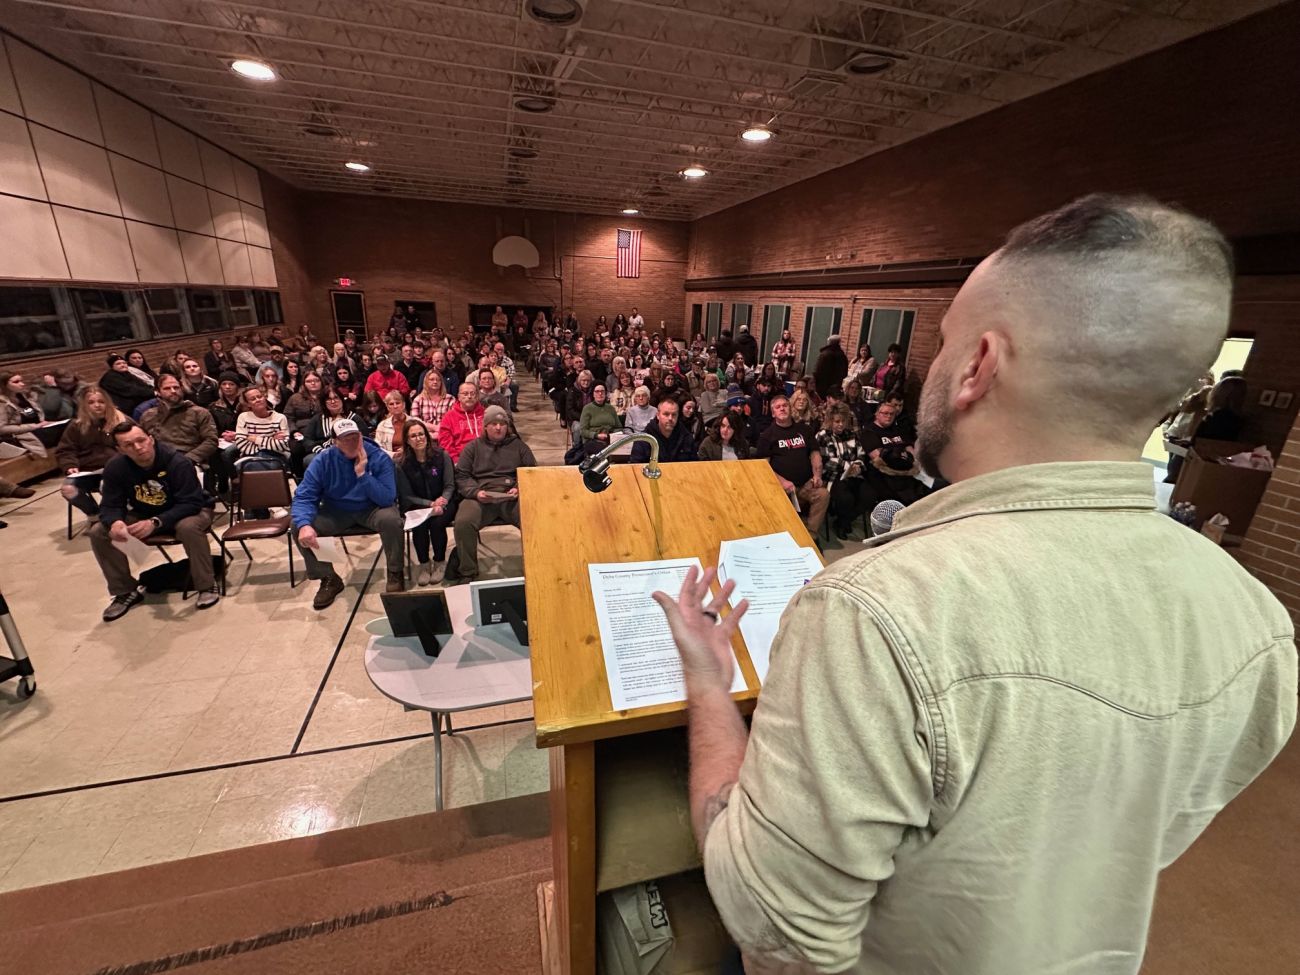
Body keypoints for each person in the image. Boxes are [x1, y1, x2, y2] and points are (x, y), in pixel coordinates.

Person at [655, 195, 1298, 975]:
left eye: (947, 338)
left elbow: (770, 925)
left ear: (978, 365)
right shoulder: (1258, 623)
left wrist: (709, 686)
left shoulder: (871, 614)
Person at [91, 421, 219, 620]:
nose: (138, 447)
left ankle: (206, 584)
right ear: (120, 450)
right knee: (99, 531)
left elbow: (191, 502)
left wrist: (156, 522)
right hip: (144, 511)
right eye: (129, 445)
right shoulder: (115, 468)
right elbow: (109, 504)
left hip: (189, 510)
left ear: (151, 439)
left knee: (188, 527)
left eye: (141, 440)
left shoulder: (177, 461)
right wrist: (115, 521)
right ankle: (125, 591)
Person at [292, 418, 406, 606]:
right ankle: (329, 578)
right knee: (298, 525)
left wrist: (362, 475)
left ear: (361, 436)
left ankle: (395, 571)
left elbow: (387, 498)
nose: (352, 442)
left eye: (355, 437)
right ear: (335, 442)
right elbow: (304, 497)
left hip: (371, 508)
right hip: (336, 511)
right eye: (346, 439)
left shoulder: (378, 457)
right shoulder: (322, 461)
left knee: (391, 519)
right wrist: (305, 524)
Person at [446, 405, 535, 584]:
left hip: (511, 497)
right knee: (463, 522)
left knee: (534, 518)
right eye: (493, 423)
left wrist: (520, 487)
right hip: (481, 496)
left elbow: (532, 472)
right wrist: (476, 492)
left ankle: (535, 565)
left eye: (502, 423)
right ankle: (468, 571)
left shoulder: (519, 446)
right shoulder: (473, 447)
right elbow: (462, 476)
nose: (498, 427)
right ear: (485, 426)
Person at [755, 393, 828, 536]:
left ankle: (811, 536)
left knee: (823, 495)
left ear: (790, 408)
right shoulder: (767, 436)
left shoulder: (804, 430)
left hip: (806, 484)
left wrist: (817, 475)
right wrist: (782, 482)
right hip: (781, 487)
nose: (782, 409)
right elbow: (763, 467)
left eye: (785, 405)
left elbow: (815, 454)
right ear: (773, 413)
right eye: (778, 407)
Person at [395, 418, 457, 584]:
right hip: (417, 505)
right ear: (407, 440)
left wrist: (442, 501)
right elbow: (406, 495)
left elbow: (450, 485)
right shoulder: (401, 463)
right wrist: (429, 505)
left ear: (427, 436)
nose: (418, 438)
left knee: (437, 524)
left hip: (445, 501)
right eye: (413, 436)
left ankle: (439, 562)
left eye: (421, 434)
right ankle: (423, 564)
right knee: (420, 526)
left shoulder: (442, 455)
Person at [55, 386, 125, 518]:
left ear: (108, 403)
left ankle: (117, 515)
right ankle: (95, 515)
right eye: (91, 403)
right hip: (87, 471)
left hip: (116, 469)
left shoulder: (121, 421)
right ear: (84, 406)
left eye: (101, 402)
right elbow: (65, 450)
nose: (97, 405)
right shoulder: (76, 426)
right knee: (68, 489)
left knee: (106, 486)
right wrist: (70, 465)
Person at [140, 374, 218, 469]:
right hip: (158, 464)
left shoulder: (199, 412)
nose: (173, 391)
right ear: (158, 392)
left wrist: (185, 460)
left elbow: (211, 441)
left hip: (190, 462)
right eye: (167, 388)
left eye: (176, 387)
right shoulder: (148, 415)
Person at [816, 403, 870, 539]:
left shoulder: (852, 434)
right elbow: (826, 461)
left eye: (843, 421)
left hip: (854, 474)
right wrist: (848, 466)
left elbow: (861, 453)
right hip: (833, 476)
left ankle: (843, 521)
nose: (840, 424)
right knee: (846, 498)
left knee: (870, 495)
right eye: (837, 421)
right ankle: (842, 523)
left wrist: (858, 464)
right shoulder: (822, 436)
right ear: (830, 421)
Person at [0, 370, 58, 457]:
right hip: (23, 435)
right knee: (68, 433)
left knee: (71, 425)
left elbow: (37, 416)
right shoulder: (2, 403)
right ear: (4, 385)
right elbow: (2, 429)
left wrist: (46, 423)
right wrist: (35, 426)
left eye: (21, 381)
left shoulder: (23, 396)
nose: (22, 384)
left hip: (40, 429)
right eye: (16, 382)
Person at [630, 399, 698, 464]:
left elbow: (694, 466)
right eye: (666, 414)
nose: (670, 418)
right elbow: (635, 468)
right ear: (658, 415)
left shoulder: (687, 438)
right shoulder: (643, 439)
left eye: (674, 415)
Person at [439, 381, 485, 463]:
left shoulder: (486, 414)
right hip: (462, 460)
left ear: (477, 396)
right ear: (459, 397)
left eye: (472, 393)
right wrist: (456, 461)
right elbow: (446, 444)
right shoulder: (449, 417)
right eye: (465, 394)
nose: (469, 396)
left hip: (486, 457)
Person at [411, 369, 455, 435]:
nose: (435, 382)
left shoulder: (450, 399)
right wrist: (435, 428)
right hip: (425, 436)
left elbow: (453, 419)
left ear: (441, 382)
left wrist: (439, 432)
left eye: (438, 380)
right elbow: (415, 421)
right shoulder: (418, 399)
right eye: (432, 379)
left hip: (446, 434)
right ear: (426, 382)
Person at [579, 384, 620, 448]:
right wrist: (596, 435)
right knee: (604, 450)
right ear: (593, 394)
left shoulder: (611, 408)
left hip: (610, 438)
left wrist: (613, 435)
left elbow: (619, 427)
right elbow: (583, 431)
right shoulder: (587, 408)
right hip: (593, 440)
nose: (600, 393)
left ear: (605, 394)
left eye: (602, 391)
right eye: (597, 391)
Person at [374, 389, 410, 460]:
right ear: (387, 407)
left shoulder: (414, 422)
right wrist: (394, 455)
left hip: (411, 458)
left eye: (398, 403)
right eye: (391, 404)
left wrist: (406, 450)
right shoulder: (382, 425)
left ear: (403, 405)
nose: (395, 406)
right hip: (390, 459)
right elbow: (378, 447)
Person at [812, 333, 849, 398]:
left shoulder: (824, 354)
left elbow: (818, 370)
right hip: (836, 386)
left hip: (822, 385)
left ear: (829, 342)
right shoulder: (842, 355)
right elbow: (844, 372)